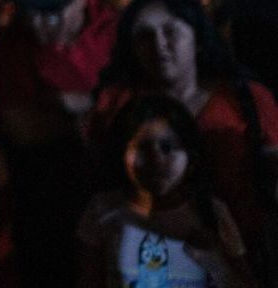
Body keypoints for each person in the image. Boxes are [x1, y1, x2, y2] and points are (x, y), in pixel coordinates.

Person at [90, 0, 278, 282]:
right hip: (145, 261)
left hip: (244, 255)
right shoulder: (118, 105)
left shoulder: (248, 100)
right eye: (144, 36)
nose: (159, 45)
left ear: (198, 38)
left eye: (171, 31)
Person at [0, 0, 119, 286]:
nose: (39, 23)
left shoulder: (117, 30)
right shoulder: (8, 46)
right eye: (30, 11)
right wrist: (93, 108)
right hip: (46, 202)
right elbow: (23, 130)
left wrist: (68, 106)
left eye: (52, 11)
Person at [78, 95, 255, 287]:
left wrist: (217, 264)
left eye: (168, 147)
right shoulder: (103, 210)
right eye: (142, 148)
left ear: (190, 158)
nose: (156, 160)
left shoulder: (211, 213)